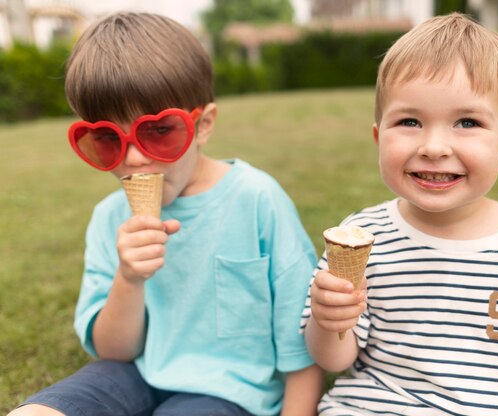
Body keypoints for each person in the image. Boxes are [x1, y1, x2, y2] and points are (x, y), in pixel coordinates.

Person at [301, 13, 498, 416]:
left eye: (467, 122)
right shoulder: (361, 237)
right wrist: (328, 319)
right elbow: (334, 359)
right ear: (379, 138)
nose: (434, 146)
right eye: (409, 121)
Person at [10, 12, 322, 416]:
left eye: (158, 131)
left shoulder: (255, 199)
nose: (135, 158)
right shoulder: (109, 218)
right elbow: (114, 352)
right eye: (108, 139)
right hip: (133, 374)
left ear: (203, 125)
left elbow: (301, 339)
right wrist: (129, 278)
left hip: (226, 389)